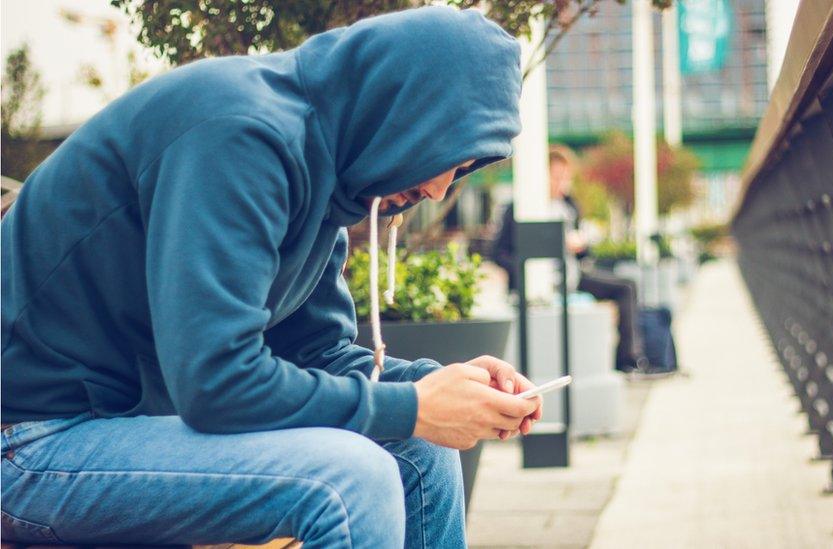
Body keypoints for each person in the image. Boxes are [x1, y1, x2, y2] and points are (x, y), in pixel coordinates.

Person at [0, 7, 542, 549]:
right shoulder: (239, 135)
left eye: (464, 168)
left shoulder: (327, 173)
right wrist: (417, 407)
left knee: (421, 449)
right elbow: (216, 384)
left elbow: (317, 353)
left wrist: (438, 387)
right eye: (447, 153)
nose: (440, 189)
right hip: (32, 443)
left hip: (130, 428)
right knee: (351, 478)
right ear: (404, 109)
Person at [492, 145, 650, 373]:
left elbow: (585, 255)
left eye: (565, 178)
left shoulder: (569, 205)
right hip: (535, 282)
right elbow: (498, 254)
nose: (562, 183)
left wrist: (580, 246)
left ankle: (629, 360)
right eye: (556, 177)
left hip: (572, 274)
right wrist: (531, 268)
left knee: (627, 286)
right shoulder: (519, 207)